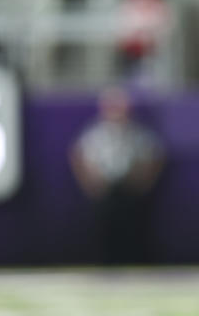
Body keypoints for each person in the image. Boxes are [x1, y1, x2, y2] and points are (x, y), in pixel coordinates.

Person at [69, 86, 165, 265]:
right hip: (105, 191)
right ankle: (105, 263)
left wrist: (143, 182)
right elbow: (78, 156)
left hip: (130, 191)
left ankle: (135, 262)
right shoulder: (95, 134)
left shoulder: (137, 133)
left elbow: (154, 157)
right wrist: (90, 183)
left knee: (134, 232)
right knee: (105, 231)